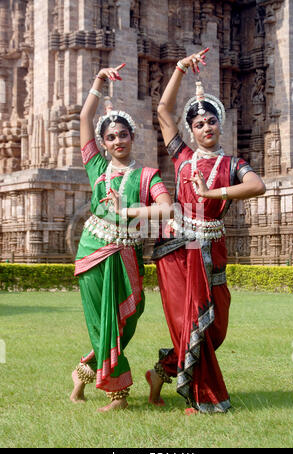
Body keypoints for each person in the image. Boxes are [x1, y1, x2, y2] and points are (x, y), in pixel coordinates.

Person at [145, 49, 266, 414]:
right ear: (191, 130)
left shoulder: (233, 164)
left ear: (220, 124)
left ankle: (164, 371)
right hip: (179, 247)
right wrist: (180, 69)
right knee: (191, 319)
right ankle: (200, 396)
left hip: (213, 243)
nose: (206, 128)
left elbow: (257, 185)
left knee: (215, 326)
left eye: (211, 122)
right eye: (198, 124)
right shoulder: (182, 157)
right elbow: (164, 112)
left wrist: (212, 192)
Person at [70, 63, 172, 412]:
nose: (117, 141)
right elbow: (85, 119)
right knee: (102, 321)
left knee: (127, 319)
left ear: (133, 137)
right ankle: (119, 394)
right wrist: (98, 81)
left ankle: (83, 371)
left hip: (127, 255)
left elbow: (167, 209)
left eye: (123, 135)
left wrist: (128, 212)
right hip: (92, 251)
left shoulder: (146, 175)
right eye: (110, 137)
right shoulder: (96, 168)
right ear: (103, 143)